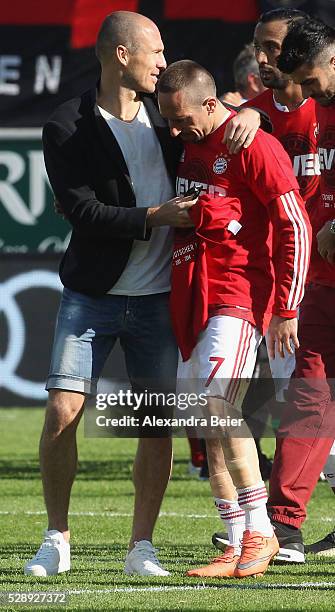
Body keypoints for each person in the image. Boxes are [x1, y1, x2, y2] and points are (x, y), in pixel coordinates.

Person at [24, 10, 263, 579]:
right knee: (62, 412)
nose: (164, 60)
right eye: (155, 50)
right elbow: (82, 209)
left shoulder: (169, 116)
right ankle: (56, 537)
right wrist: (156, 216)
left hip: (162, 297)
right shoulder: (66, 123)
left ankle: (142, 547)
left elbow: (224, 127)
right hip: (91, 294)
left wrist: (247, 110)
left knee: (154, 425)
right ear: (121, 55)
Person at [157, 59, 311, 578]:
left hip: (240, 297)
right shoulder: (192, 137)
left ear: (208, 104)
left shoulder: (253, 143)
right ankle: (237, 536)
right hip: (193, 296)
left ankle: (263, 532)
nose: (175, 132)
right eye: (169, 122)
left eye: (181, 120)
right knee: (203, 423)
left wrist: (287, 307)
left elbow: (295, 223)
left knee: (220, 407)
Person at [212, 7, 320, 565]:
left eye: (273, 48)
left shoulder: (326, 104)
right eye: (258, 47)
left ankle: (274, 523)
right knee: (284, 397)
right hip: (289, 286)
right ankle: (270, 524)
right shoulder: (251, 116)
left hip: (312, 281)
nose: (262, 58)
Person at [266, 16, 335, 560]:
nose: (310, 95)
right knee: (309, 397)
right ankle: (283, 527)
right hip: (323, 283)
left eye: (313, 82)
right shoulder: (316, 111)